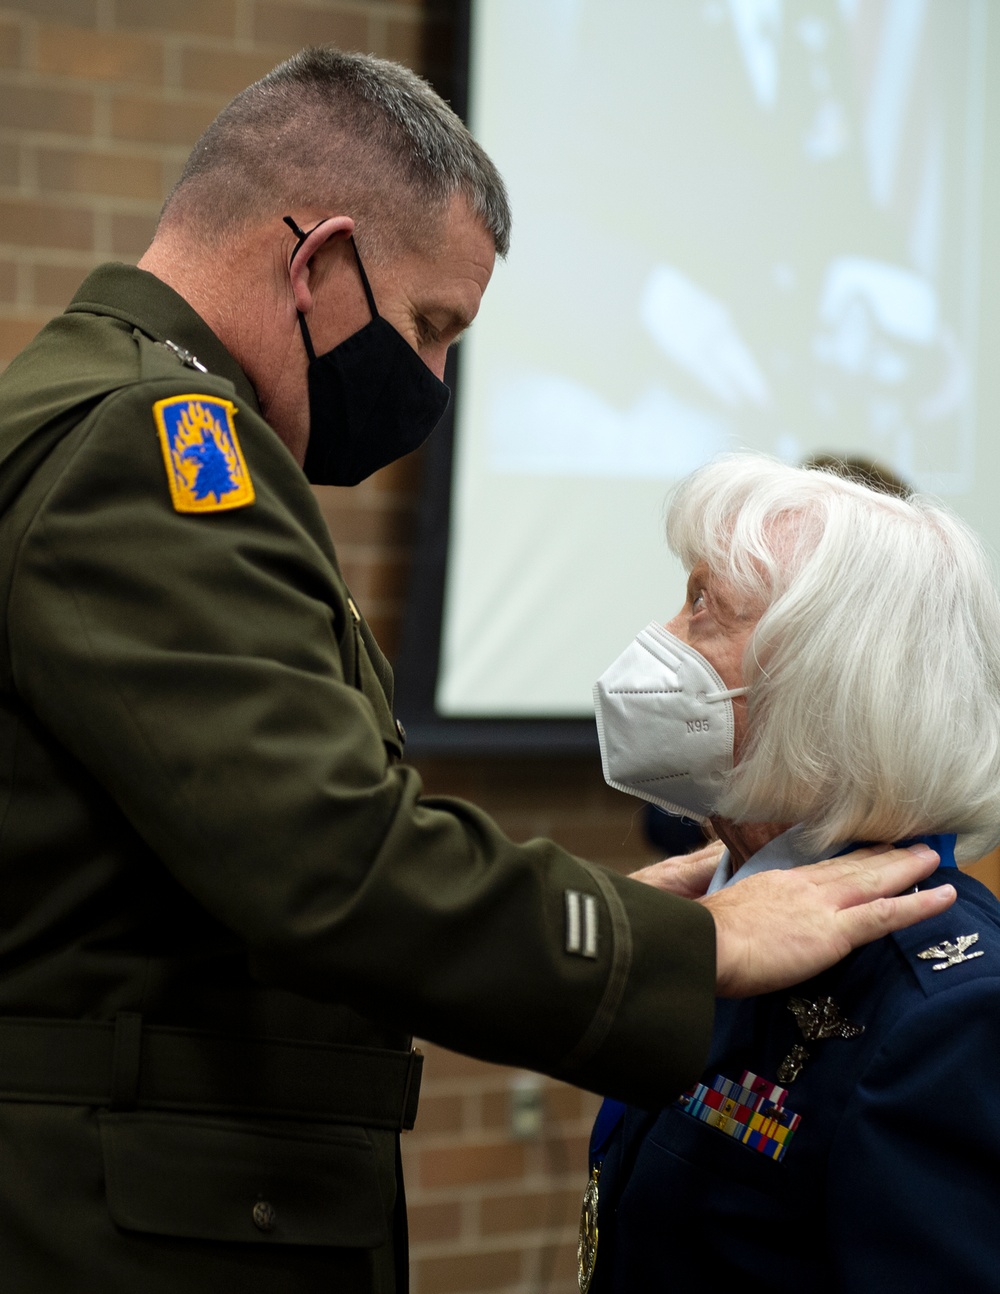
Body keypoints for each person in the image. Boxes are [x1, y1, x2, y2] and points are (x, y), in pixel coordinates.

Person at [0, 49, 951, 1294]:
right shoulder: (157, 445)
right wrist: (681, 944)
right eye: (430, 327)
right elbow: (330, 857)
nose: (434, 381)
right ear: (318, 262)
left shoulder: (118, 412)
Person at [585, 454, 1000, 1293]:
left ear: (828, 681)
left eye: (705, 608)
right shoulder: (714, 904)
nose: (663, 640)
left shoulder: (950, 1014)